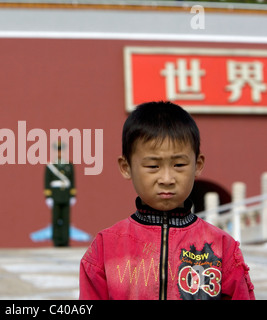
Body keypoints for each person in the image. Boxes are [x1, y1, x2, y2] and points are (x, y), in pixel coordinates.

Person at [79, 101, 255, 300]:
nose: (167, 179)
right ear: (126, 167)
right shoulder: (105, 248)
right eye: (153, 166)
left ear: (197, 165)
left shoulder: (222, 247)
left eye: (179, 164)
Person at [44, 141, 76, 247]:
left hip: (66, 194)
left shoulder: (69, 165)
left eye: (61, 151)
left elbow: (72, 181)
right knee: (56, 218)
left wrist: (72, 195)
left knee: (66, 219)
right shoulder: (51, 166)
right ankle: (57, 241)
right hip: (55, 195)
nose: (59, 153)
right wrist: (48, 196)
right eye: (58, 151)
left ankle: (65, 240)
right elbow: (47, 181)